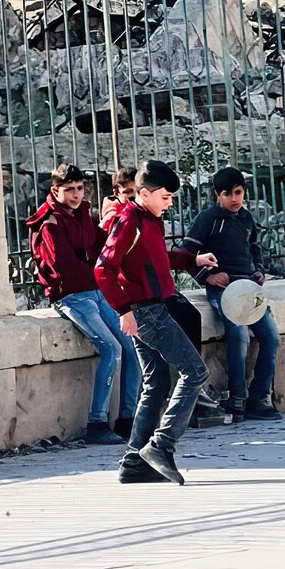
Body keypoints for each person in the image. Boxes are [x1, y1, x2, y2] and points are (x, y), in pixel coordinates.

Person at [98, 159, 217, 485]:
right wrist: (123, 310)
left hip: (151, 308)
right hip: (146, 311)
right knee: (195, 373)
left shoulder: (150, 220)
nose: (170, 203)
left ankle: (134, 463)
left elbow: (158, 260)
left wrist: (192, 258)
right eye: (166, 197)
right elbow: (103, 268)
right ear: (146, 193)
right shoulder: (129, 222)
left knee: (156, 385)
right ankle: (161, 446)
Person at [26, 164, 141, 445]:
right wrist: (100, 272)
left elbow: (105, 245)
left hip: (96, 291)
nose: (76, 194)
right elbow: (65, 268)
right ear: (56, 190)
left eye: (79, 189)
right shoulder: (49, 223)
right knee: (111, 348)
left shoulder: (83, 216)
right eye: (69, 190)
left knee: (131, 343)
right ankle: (96, 423)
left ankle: (129, 418)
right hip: (72, 296)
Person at [181, 166, 281, 420]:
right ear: (218, 194)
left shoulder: (246, 218)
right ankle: (237, 397)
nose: (235, 199)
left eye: (239, 193)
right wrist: (208, 276)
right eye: (229, 194)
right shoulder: (207, 219)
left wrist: (258, 271)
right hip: (223, 291)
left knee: (271, 337)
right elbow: (186, 255)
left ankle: (260, 397)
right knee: (238, 337)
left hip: (249, 289)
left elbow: (254, 249)